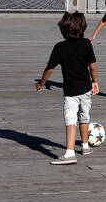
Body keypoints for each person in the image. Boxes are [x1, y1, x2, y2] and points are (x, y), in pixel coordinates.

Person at [36, 11, 100, 165]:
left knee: (71, 119)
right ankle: (85, 146)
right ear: (82, 28)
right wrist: (95, 82)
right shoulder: (86, 44)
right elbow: (92, 67)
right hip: (86, 89)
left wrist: (42, 83)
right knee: (84, 117)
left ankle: (70, 153)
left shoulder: (59, 47)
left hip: (71, 92)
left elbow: (50, 68)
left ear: (64, 29)